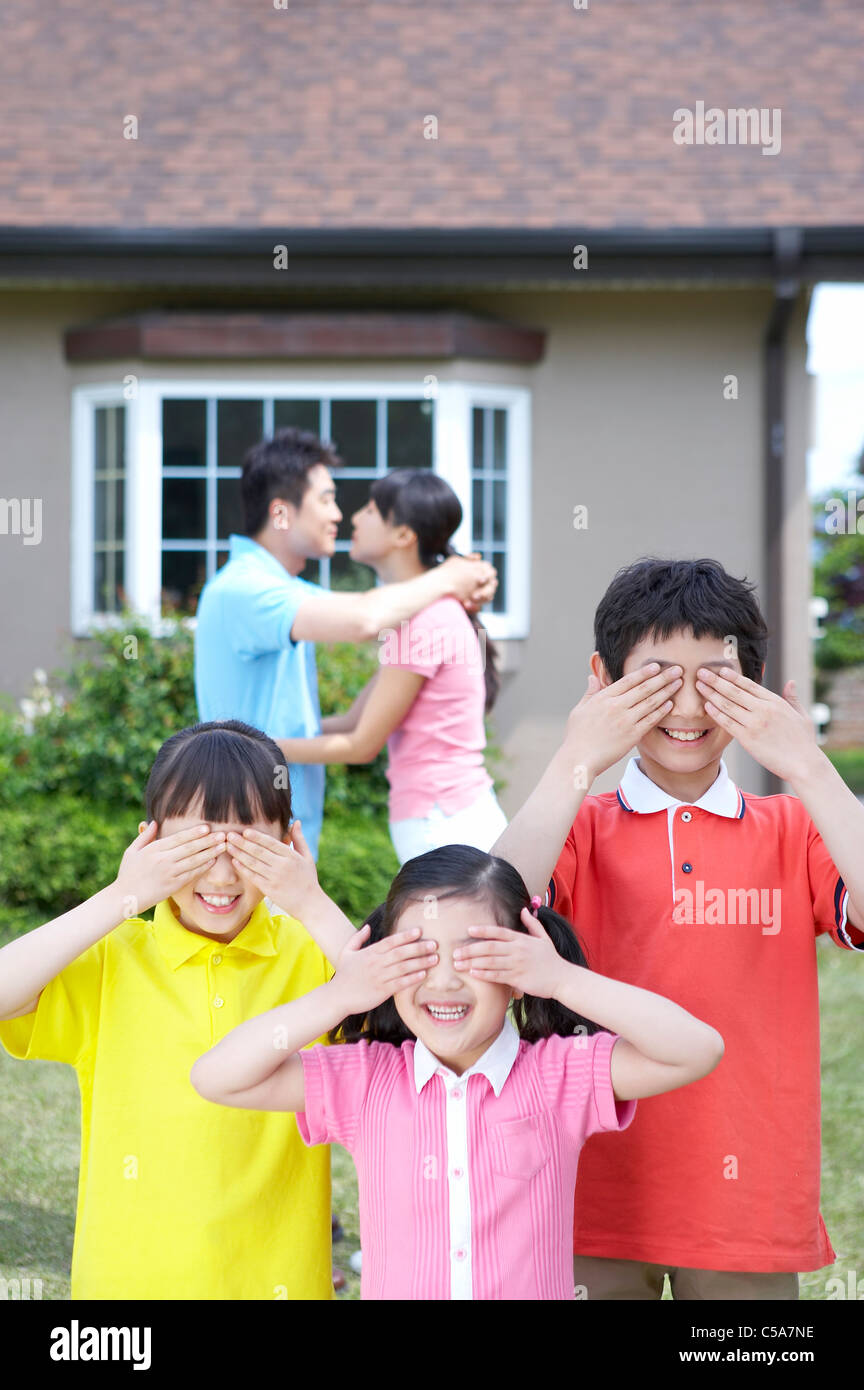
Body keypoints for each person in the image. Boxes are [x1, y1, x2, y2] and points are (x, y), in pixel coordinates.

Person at [491, 556, 864, 1301]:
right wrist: (575, 756)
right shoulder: (579, 828)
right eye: (658, 680)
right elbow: (491, 910)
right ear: (604, 678)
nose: (688, 708)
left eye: (717, 682)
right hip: (587, 1186)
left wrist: (810, 767)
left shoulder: (795, 829)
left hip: (746, 1202)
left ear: (754, 688)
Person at [190, 844, 724, 1301]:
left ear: (519, 971)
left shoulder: (559, 1075)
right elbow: (217, 1076)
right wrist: (342, 994)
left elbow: (696, 1049)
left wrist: (559, 979)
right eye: (417, 957)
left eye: (475, 957)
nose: (443, 981)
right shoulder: (365, 1082)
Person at [0, 720, 357, 1300]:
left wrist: (311, 903)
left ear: (290, 844)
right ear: (150, 843)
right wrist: (122, 897)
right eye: (193, 848)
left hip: (279, 1281)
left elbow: (401, 1024)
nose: (219, 875)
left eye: (246, 848)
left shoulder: (316, 959)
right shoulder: (114, 959)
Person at [195, 431, 497, 861]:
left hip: (275, 830)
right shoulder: (247, 590)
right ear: (281, 513)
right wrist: (452, 577)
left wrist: (463, 583)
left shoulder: (286, 591)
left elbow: (372, 611)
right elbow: (365, 619)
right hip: (247, 832)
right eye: (326, 499)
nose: (340, 514)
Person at [277, 470, 507, 864]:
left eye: (369, 510)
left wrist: (260, 747)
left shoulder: (426, 621)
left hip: (443, 821)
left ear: (403, 535)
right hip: (450, 816)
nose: (354, 518)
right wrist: (266, 735)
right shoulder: (425, 616)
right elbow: (353, 721)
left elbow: (361, 745)